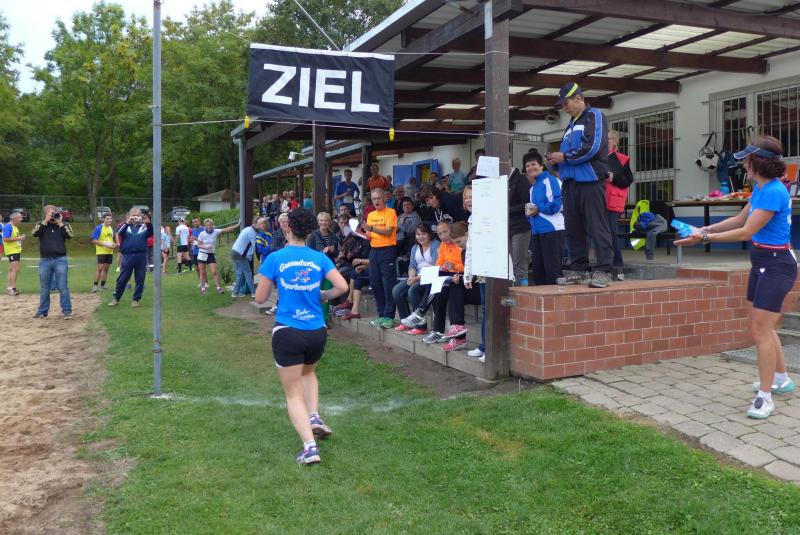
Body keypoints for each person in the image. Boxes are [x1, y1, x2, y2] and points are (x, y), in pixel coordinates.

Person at [676, 136, 797, 420]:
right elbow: (739, 220)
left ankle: (765, 397)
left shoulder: (773, 192)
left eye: (747, 160)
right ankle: (781, 379)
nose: (743, 164)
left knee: (760, 330)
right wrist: (706, 228)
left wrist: (704, 238)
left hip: (777, 265)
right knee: (764, 327)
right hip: (763, 262)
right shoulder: (761, 189)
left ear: (759, 163)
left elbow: (746, 232)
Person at [255, 208, 348, 465]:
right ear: (310, 231)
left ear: (287, 228)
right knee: (308, 373)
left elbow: (260, 298)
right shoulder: (319, 258)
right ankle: (314, 416)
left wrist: (275, 284)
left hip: (288, 331)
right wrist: (324, 295)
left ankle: (310, 448)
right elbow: (342, 286)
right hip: (316, 332)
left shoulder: (275, 258)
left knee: (293, 393)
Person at [546, 82, 613, 289]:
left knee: (597, 226)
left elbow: (593, 147)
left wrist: (564, 157)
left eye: (565, 103)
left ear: (578, 98)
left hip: (590, 181)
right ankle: (579, 269)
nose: (564, 108)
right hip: (569, 183)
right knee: (573, 228)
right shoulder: (570, 124)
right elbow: (568, 154)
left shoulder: (595, 116)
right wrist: (555, 160)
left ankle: (604, 270)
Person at [400, 220, 463, 341]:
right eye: (440, 233)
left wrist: (455, 266)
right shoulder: (443, 245)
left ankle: (420, 312)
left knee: (435, 284)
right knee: (438, 292)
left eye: (445, 232)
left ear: (452, 230)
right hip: (446, 278)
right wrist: (442, 267)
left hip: (459, 278)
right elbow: (438, 264)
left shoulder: (459, 243)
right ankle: (437, 331)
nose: (443, 236)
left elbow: (468, 265)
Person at [524, 149, 565, 285]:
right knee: (538, 273)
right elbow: (535, 211)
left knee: (553, 273)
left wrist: (538, 209)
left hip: (552, 230)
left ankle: (557, 299)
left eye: (533, 164)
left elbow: (558, 205)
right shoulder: (532, 188)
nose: (530, 168)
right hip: (536, 232)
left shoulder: (551, 180)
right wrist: (530, 213)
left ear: (541, 165)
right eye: (527, 166)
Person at [393, 224, 439, 332]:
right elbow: (412, 266)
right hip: (416, 276)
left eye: (423, 234)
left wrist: (417, 279)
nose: (420, 237)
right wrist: (411, 276)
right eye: (418, 234)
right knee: (396, 291)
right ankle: (406, 321)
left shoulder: (435, 245)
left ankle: (421, 326)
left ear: (429, 234)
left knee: (413, 291)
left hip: (430, 277)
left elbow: (436, 267)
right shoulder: (415, 247)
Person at [362, 188, 398, 328]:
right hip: (374, 250)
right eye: (374, 199)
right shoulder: (370, 215)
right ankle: (381, 314)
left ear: (384, 199)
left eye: (379, 198)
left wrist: (371, 229)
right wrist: (361, 232)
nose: (376, 201)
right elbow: (369, 235)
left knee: (388, 283)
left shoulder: (391, 212)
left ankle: (389, 316)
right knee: (375, 283)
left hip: (387, 250)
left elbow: (388, 232)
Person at [31, 205, 73, 319]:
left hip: (60, 259)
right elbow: (34, 233)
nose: (53, 215)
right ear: (45, 214)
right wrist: (45, 221)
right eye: (50, 213)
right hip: (45, 260)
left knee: (63, 286)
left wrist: (60, 223)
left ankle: (67, 311)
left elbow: (70, 235)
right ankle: (42, 311)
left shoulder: (64, 224)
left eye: (54, 212)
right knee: (44, 287)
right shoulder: (41, 224)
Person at [108, 208, 153, 308]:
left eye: (137, 215)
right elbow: (119, 233)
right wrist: (127, 222)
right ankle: (116, 298)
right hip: (128, 256)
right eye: (133, 214)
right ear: (129, 216)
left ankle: (136, 300)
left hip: (141, 256)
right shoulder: (125, 226)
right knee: (122, 278)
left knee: (140, 279)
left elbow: (151, 233)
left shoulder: (144, 227)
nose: (135, 217)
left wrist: (148, 223)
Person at [462, 186, 486, 361]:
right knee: (485, 308)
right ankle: (484, 346)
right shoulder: (471, 219)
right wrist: (468, 273)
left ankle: (489, 348)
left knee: (489, 309)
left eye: (472, 196)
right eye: (466, 197)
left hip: (491, 268)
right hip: (481, 270)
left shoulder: (485, 217)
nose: (469, 200)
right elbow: (470, 248)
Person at [606, 130, 633, 280]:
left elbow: (628, 180)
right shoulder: (596, 159)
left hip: (613, 201)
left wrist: (614, 178)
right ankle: (604, 266)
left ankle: (618, 267)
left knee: (612, 233)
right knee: (599, 235)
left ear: (615, 142)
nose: (605, 141)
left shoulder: (622, 159)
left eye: (608, 139)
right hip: (597, 201)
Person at [196, 218, 240, 295]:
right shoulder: (202, 234)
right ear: (205, 226)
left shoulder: (215, 231)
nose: (209, 227)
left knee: (214, 272)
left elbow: (227, 229)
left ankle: (218, 288)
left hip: (211, 254)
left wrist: (238, 225)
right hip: (202, 254)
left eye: (210, 225)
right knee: (202, 272)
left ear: (212, 225)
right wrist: (205, 247)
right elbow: (198, 245)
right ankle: (203, 288)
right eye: (207, 225)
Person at [508, 164, 535, 286]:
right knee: (509, 265)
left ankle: (522, 293)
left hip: (520, 227)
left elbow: (527, 203)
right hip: (506, 227)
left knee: (519, 265)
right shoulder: (499, 180)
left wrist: (507, 209)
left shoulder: (520, 180)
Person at [230, 217, 262, 298]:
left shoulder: (248, 229)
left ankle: (235, 293)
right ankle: (254, 292)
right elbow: (255, 247)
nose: (261, 225)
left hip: (234, 252)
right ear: (254, 224)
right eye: (259, 224)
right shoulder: (252, 233)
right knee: (248, 273)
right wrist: (258, 257)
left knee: (240, 274)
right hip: (240, 254)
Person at [91, 213, 116, 292]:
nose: (109, 220)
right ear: (103, 219)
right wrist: (105, 244)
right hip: (101, 251)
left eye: (110, 218)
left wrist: (113, 244)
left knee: (106, 269)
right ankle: (95, 286)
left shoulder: (110, 228)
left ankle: (103, 285)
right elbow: (94, 240)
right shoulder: (99, 228)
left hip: (109, 251)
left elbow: (110, 239)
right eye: (108, 218)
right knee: (100, 268)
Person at [3, 211, 25, 296]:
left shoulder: (15, 226)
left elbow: (14, 238)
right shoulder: (8, 226)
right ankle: (12, 288)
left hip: (15, 250)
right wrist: (19, 238)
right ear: (14, 218)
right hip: (12, 251)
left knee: (12, 269)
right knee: (15, 269)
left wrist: (20, 239)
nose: (21, 219)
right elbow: (5, 239)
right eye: (20, 217)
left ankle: (9, 288)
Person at [190, 217, 203, 285]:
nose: (195, 223)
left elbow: (205, 241)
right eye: (193, 222)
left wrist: (196, 239)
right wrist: (192, 241)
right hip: (195, 251)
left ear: (199, 221)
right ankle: (200, 282)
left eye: (196, 222)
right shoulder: (193, 230)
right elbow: (193, 239)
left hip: (202, 251)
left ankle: (205, 282)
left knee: (202, 269)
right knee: (197, 268)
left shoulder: (203, 229)